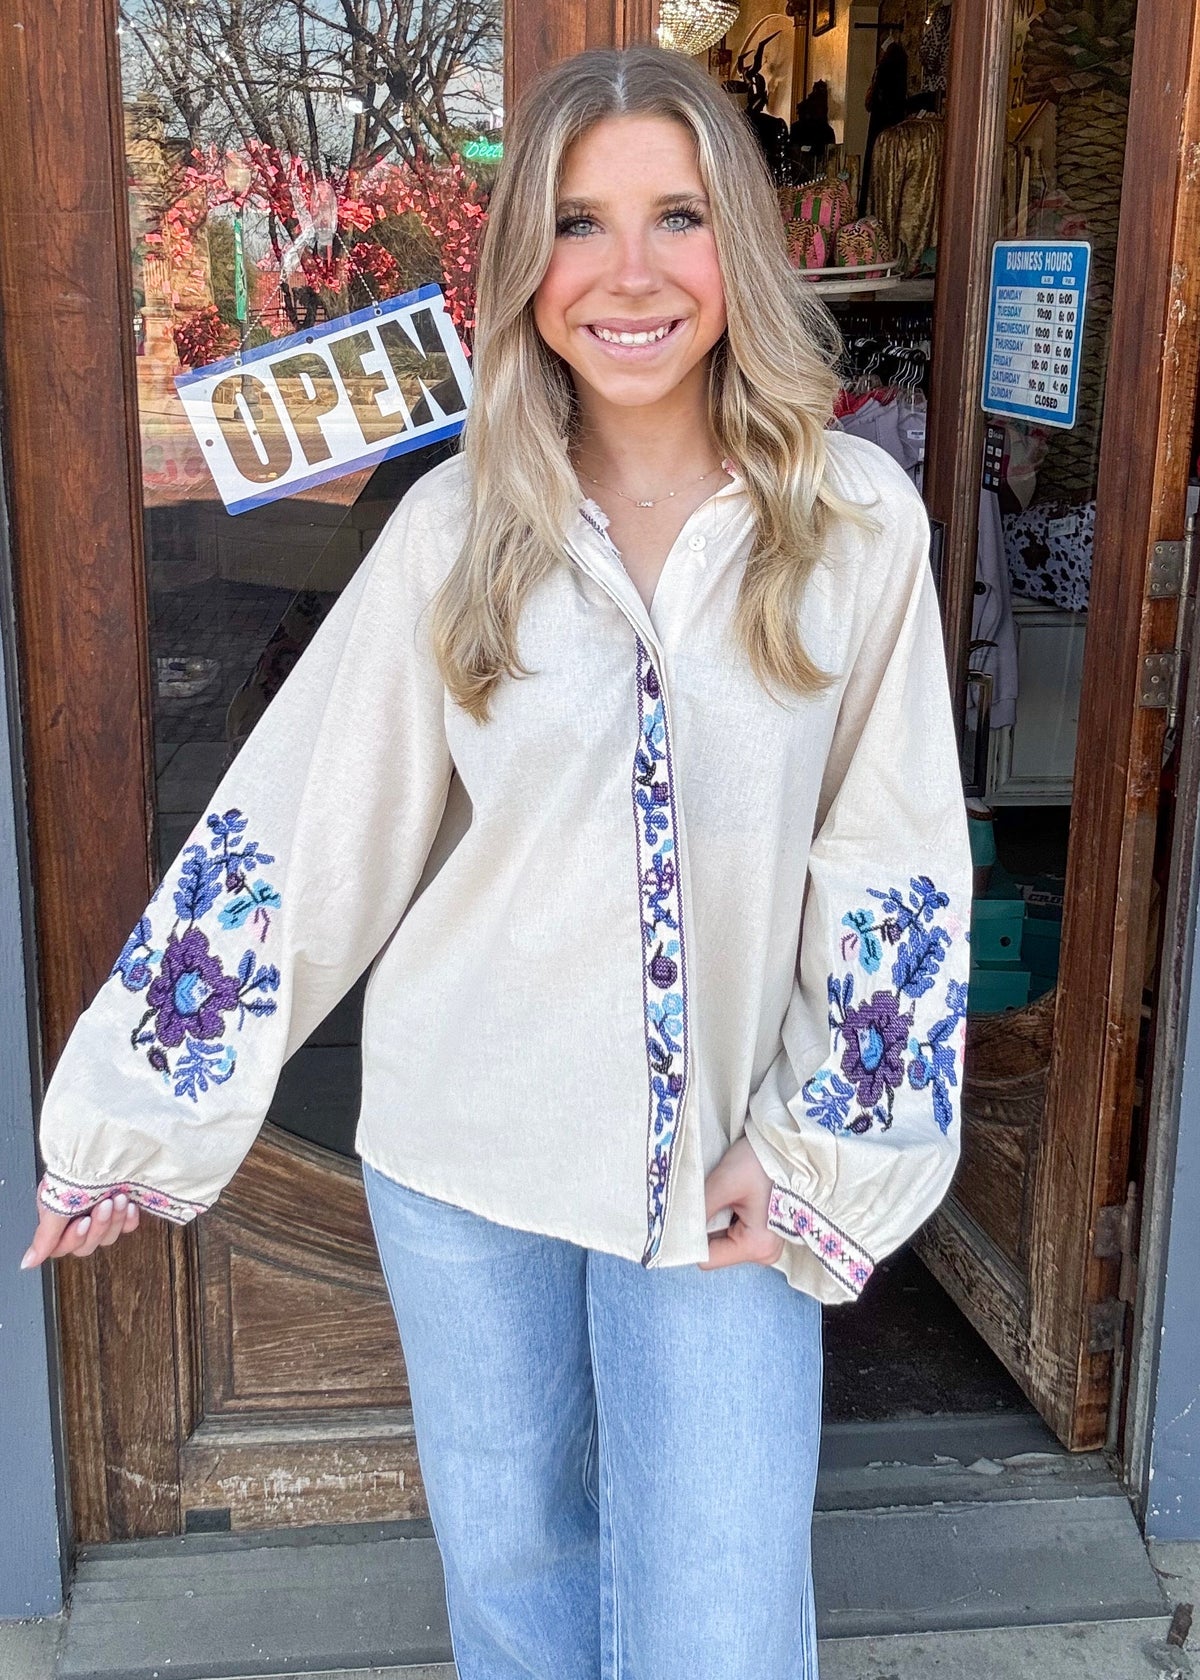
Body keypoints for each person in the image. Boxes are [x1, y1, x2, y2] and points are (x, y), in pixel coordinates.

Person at [22, 44, 972, 1680]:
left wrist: (830, 1147)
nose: (627, 274)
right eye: (575, 224)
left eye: (675, 218)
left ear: (734, 245)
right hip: (468, 1163)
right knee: (519, 1588)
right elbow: (306, 828)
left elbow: (894, 868)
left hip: (738, 1168)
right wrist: (133, 1115)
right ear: (522, 267)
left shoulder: (856, 525)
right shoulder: (460, 530)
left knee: (721, 1622)